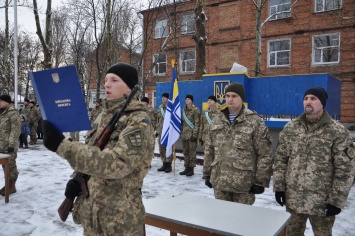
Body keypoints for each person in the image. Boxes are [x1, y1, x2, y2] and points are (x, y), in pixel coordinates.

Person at [42, 62, 155, 235]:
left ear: (129, 89)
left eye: (114, 80)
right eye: (106, 80)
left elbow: (118, 163)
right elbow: (93, 151)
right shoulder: (104, 116)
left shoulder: (138, 122)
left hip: (119, 219)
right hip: (93, 213)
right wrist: (78, 178)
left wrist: (63, 147)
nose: (107, 84)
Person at [273, 87, 355, 236]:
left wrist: (336, 201)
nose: (308, 102)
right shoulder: (291, 129)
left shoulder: (337, 131)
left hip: (322, 202)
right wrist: (279, 187)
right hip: (294, 199)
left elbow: (345, 169)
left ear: (322, 103)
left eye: (313, 98)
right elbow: (281, 160)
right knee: (291, 233)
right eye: (305, 99)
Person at [203, 82, 273, 205]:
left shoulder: (254, 121)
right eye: (227, 96)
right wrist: (207, 173)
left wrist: (260, 181)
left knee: (241, 222)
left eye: (234, 96)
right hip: (220, 182)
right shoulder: (216, 120)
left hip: (244, 185)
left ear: (242, 98)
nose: (230, 99)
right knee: (220, 220)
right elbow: (209, 149)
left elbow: (264, 154)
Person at [0, 95, 21, 196]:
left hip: (9, 145)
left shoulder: (13, 113)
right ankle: (8, 184)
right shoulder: (2, 113)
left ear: (7, 102)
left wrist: (11, 144)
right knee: (4, 165)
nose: (0, 102)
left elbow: (15, 130)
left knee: (11, 166)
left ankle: (12, 186)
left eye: (1, 101)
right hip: (1, 145)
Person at [180, 94, 200, 176]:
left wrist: (195, 135)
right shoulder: (183, 109)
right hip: (184, 134)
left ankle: (191, 169)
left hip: (191, 135)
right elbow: (182, 121)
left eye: (188, 99)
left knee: (192, 152)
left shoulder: (195, 110)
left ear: (192, 100)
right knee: (186, 152)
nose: (187, 100)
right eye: (186, 99)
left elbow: (197, 123)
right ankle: (186, 167)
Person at [155, 93, 173, 173]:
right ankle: (164, 163)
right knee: (161, 148)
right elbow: (158, 119)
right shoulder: (160, 107)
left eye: (165, 97)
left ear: (168, 99)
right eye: (162, 97)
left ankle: (169, 165)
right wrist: (157, 130)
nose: (163, 98)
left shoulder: (171, 107)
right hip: (160, 131)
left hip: (168, 131)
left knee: (168, 148)